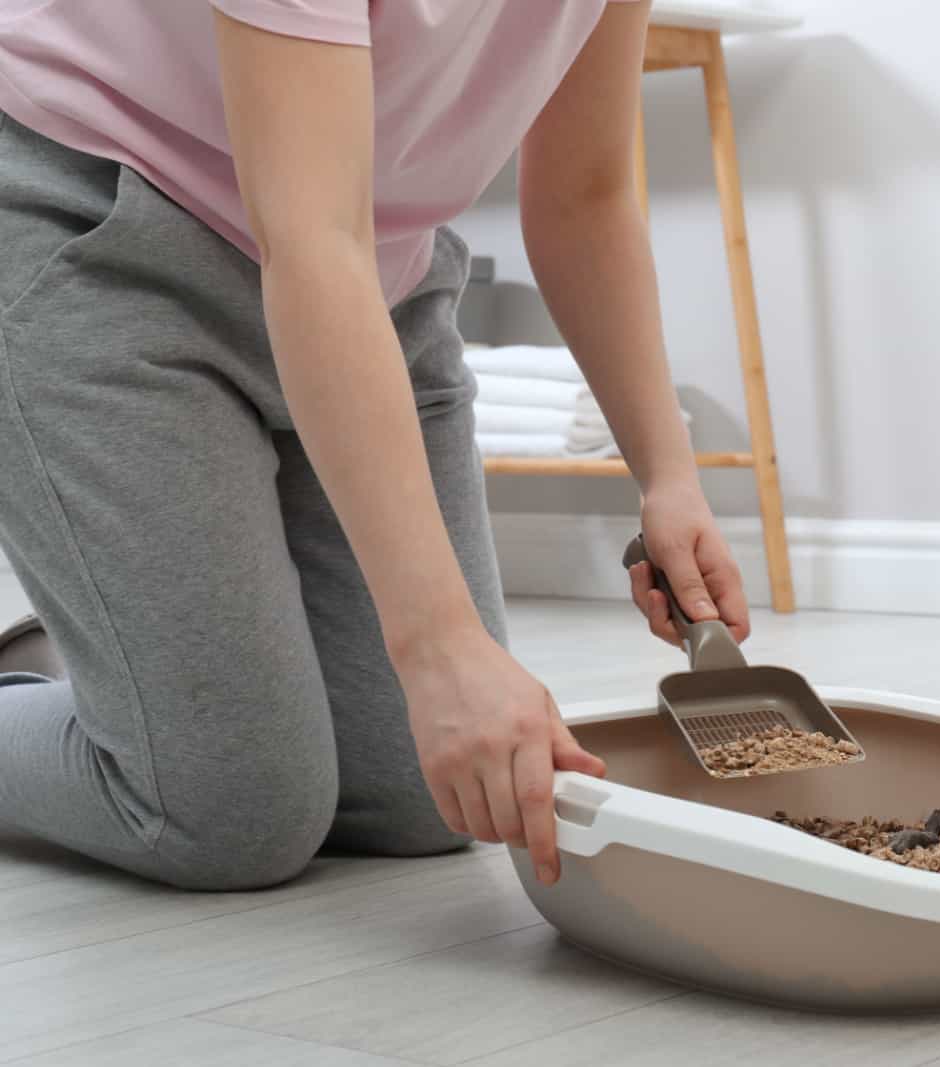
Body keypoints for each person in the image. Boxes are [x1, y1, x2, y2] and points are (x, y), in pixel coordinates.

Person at [0, 0, 749, 891]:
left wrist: (668, 478)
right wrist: (439, 646)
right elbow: (310, 238)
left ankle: (134, 656)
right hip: (100, 229)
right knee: (229, 811)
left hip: (374, 287)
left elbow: (585, 197)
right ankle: (142, 671)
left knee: (429, 799)